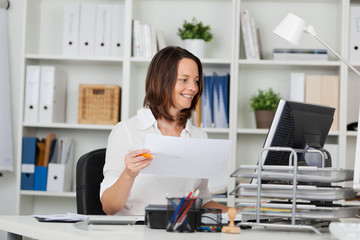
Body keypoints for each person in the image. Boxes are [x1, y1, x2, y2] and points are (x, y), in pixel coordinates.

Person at [100, 46, 229, 216]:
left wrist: (238, 213)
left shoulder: (198, 136)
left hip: (180, 231)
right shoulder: (126, 131)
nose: (193, 88)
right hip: (135, 231)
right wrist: (129, 174)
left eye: (196, 81)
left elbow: (202, 199)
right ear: (161, 81)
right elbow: (109, 207)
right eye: (184, 79)